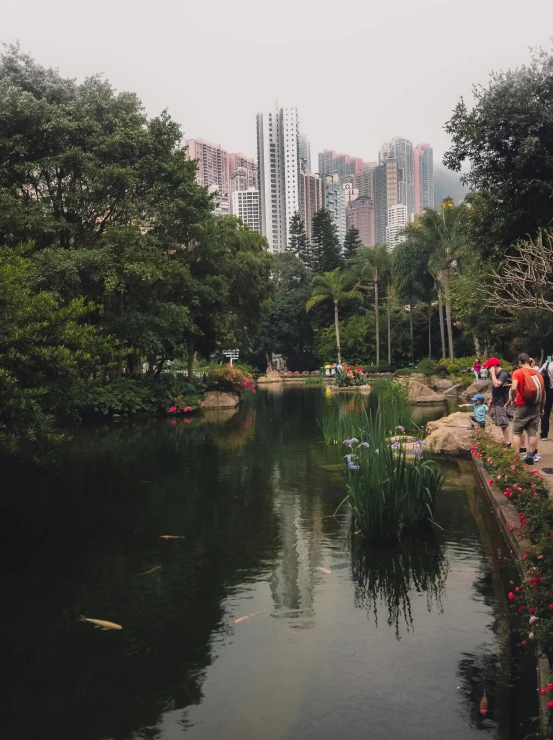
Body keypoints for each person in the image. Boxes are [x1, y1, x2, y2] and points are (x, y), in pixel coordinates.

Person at [510, 353, 546, 464]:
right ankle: (530, 456)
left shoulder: (517, 372)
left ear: (520, 362)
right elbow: (543, 393)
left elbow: (514, 387)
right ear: (529, 362)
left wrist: (512, 398)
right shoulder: (538, 374)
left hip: (521, 405)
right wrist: (542, 408)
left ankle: (515, 458)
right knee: (532, 433)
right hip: (535, 406)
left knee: (516, 432)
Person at [484, 357, 511, 446]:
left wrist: (492, 374)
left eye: (489, 367)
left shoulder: (503, 374)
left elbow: (496, 384)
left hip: (502, 402)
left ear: (494, 366)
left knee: (504, 423)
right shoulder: (497, 374)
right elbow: (495, 390)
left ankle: (507, 442)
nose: (488, 370)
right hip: (497, 401)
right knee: (501, 423)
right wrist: (491, 400)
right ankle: (505, 441)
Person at [539, 357, 553, 440]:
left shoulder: (547, 365)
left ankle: (544, 435)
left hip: (549, 390)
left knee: (546, 412)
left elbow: (539, 374)